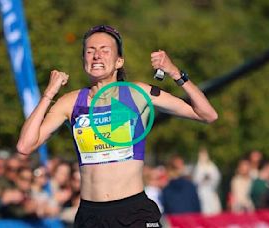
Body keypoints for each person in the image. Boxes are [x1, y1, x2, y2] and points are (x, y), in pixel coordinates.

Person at [17, 25, 217, 227]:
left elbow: (207, 114)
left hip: (133, 212)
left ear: (118, 61)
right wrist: (48, 94)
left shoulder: (138, 93)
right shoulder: (70, 102)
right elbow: (25, 145)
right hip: (90, 215)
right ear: (83, 61)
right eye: (90, 51)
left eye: (104, 50)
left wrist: (174, 72)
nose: (96, 56)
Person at [192, 147, 222, 215]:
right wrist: (203, 178)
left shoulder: (211, 166)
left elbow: (217, 177)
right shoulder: (198, 167)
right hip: (201, 193)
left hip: (211, 192)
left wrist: (209, 178)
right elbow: (195, 180)